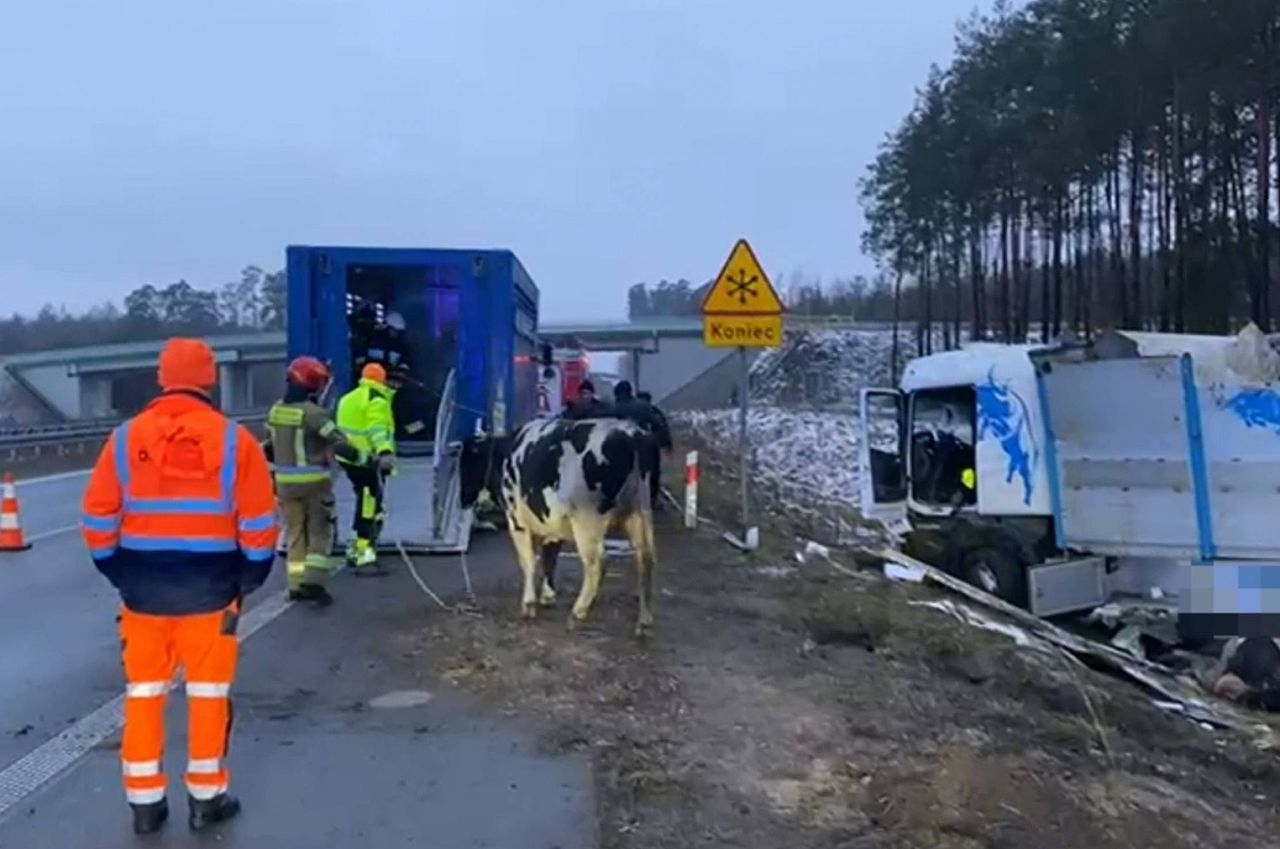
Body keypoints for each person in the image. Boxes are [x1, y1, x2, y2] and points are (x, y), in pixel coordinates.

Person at [80, 338, 276, 835]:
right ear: (209, 379)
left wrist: (116, 570)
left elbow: (98, 516)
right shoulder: (236, 442)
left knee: (143, 694)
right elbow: (258, 521)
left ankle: (145, 805)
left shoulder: (125, 439)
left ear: (162, 378)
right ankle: (206, 799)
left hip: (142, 594)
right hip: (212, 592)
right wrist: (250, 575)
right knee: (209, 695)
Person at [262, 356, 358, 606]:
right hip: (315, 484)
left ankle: (295, 585)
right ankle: (313, 584)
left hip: (284, 485)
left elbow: (269, 446)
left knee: (294, 534)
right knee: (319, 533)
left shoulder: (276, 411)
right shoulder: (315, 414)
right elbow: (337, 440)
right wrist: (360, 456)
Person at [336, 363, 396, 574]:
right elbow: (377, 429)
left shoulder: (348, 398)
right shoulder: (376, 399)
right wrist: (385, 452)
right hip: (368, 463)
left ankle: (360, 545)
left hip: (350, 460)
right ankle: (364, 551)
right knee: (369, 504)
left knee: (367, 501)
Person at [609, 381, 673, 508]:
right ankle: (652, 500)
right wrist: (665, 443)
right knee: (651, 474)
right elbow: (659, 424)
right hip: (644, 445)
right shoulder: (643, 406)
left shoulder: (612, 409)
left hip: (618, 448)